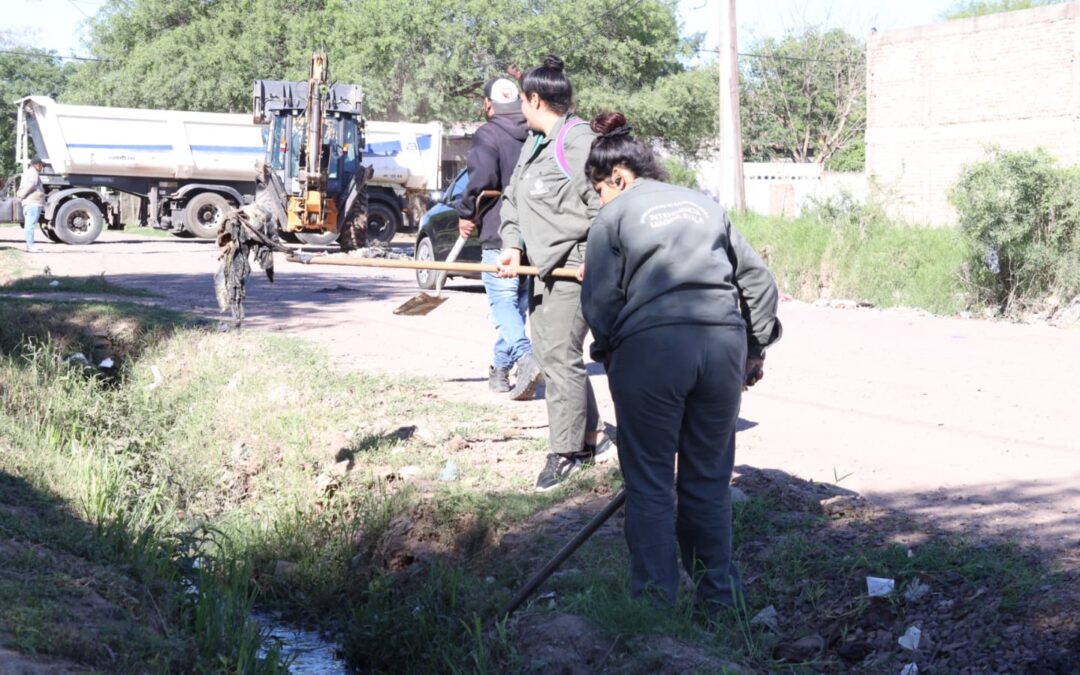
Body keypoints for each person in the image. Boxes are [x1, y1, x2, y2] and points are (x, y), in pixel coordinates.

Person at [580, 112, 782, 614]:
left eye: (599, 190)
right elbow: (758, 282)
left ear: (618, 177)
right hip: (722, 347)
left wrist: (612, 353)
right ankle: (720, 602)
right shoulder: (705, 206)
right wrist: (754, 351)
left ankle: (655, 611)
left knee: (650, 484)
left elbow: (600, 302)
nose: (600, 200)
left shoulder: (613, 216)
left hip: (652, 349)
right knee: (708, 481)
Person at [497, 55, 615, 492]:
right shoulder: (535, 143)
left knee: (560, 357)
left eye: (521, 101)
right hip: (542, 268)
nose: (519, 109)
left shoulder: (578, 142)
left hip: (574, 268)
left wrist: (596, 259)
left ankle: (567, 453)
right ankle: (591, 437)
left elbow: (606, 206)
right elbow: (513, 198)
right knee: (550, 355)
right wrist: (512, 245)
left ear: (535, 99)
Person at [454, 77, 541, 399]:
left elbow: (482, 178)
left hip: (499, 230)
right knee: (517, 305)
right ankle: (501, 369)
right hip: (535, 232)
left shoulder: (487, 134)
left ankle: (525, 356)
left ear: (487, 105)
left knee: (503, 301)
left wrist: (466, 212)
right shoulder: (537, 133)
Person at [17, 156, 46, 253]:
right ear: (37, 165)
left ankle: (29, 245)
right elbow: (32, 185)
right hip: (33, 202)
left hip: (28, 202)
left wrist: (21, 195)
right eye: (41, 165)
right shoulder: (34, 173)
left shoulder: (27, 172)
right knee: (30, 224)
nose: (42, 167)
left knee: (29, 224)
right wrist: (22, 195)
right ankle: (30, 246)